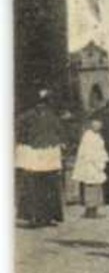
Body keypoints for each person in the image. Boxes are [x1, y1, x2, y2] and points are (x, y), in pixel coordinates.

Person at [17, 89, 67, 228]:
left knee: (37, 186)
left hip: (38, 154)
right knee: (46, 186)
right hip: (46, 154)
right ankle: (44, 216)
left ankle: (39, 216)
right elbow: (61, 132)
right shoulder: (51, 116)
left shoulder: (28, 116)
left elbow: (20, 131)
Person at [72, 115, 109, 219]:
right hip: (91, 164)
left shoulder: (97, 136)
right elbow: (89, 152)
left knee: (96, 186)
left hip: (97, 164)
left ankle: (94, 208)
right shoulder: (88, 136)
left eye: (99, 123)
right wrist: (97, 163)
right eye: (95, 123)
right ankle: (90, 210)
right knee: (91, 186)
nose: (98, 125)